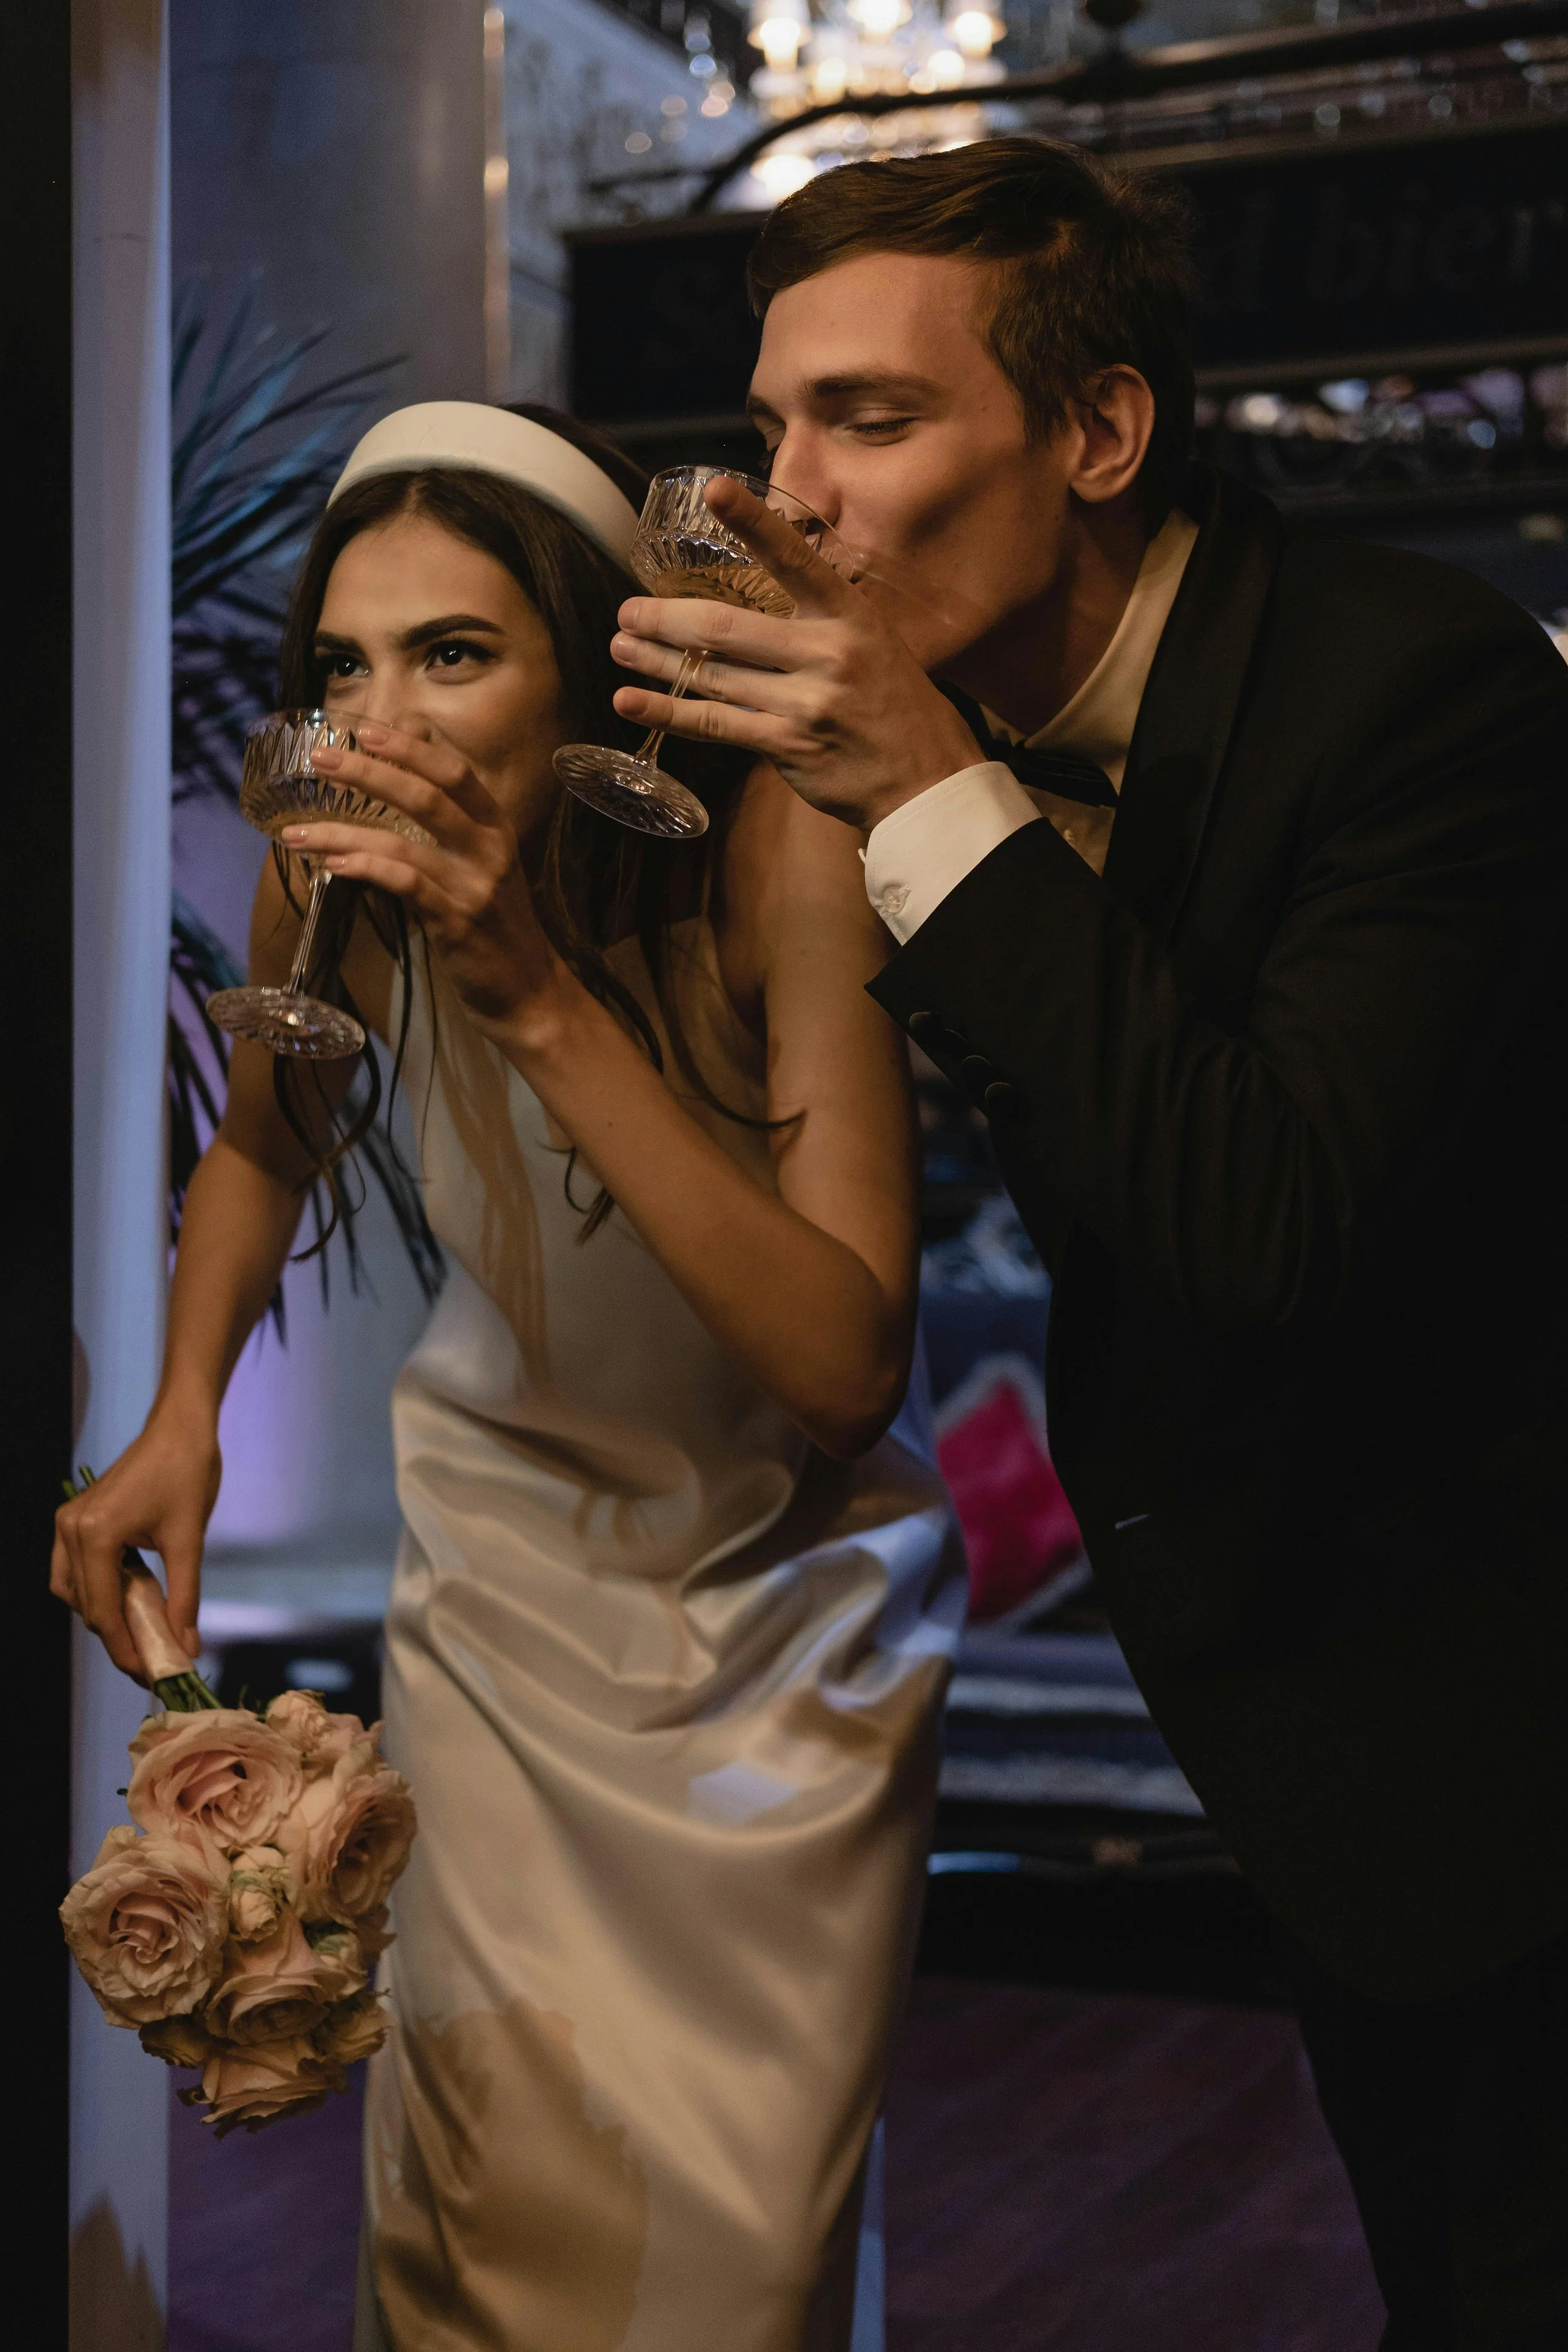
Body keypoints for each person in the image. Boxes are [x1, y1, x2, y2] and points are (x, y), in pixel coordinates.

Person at [610, 140, 1568, 2346]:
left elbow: (1261, 1215)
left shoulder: (1423, 694)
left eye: (868, 418)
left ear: (1099, 433)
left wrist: (930, 793)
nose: (790, 498)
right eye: (771, 429)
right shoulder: (939, 758)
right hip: (1328, 1750)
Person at [51, 401, 965, 2352]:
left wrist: (533, 992)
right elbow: (266, 1137)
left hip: (776, 1650)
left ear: (595, 666)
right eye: (344, 665)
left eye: (454, 653)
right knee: (482, 2211)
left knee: (729, 2261)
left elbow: (841, 1365)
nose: (381, 717)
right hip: (502, 1607)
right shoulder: (339, 850)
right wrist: (184, 1413)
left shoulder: (784, 849)